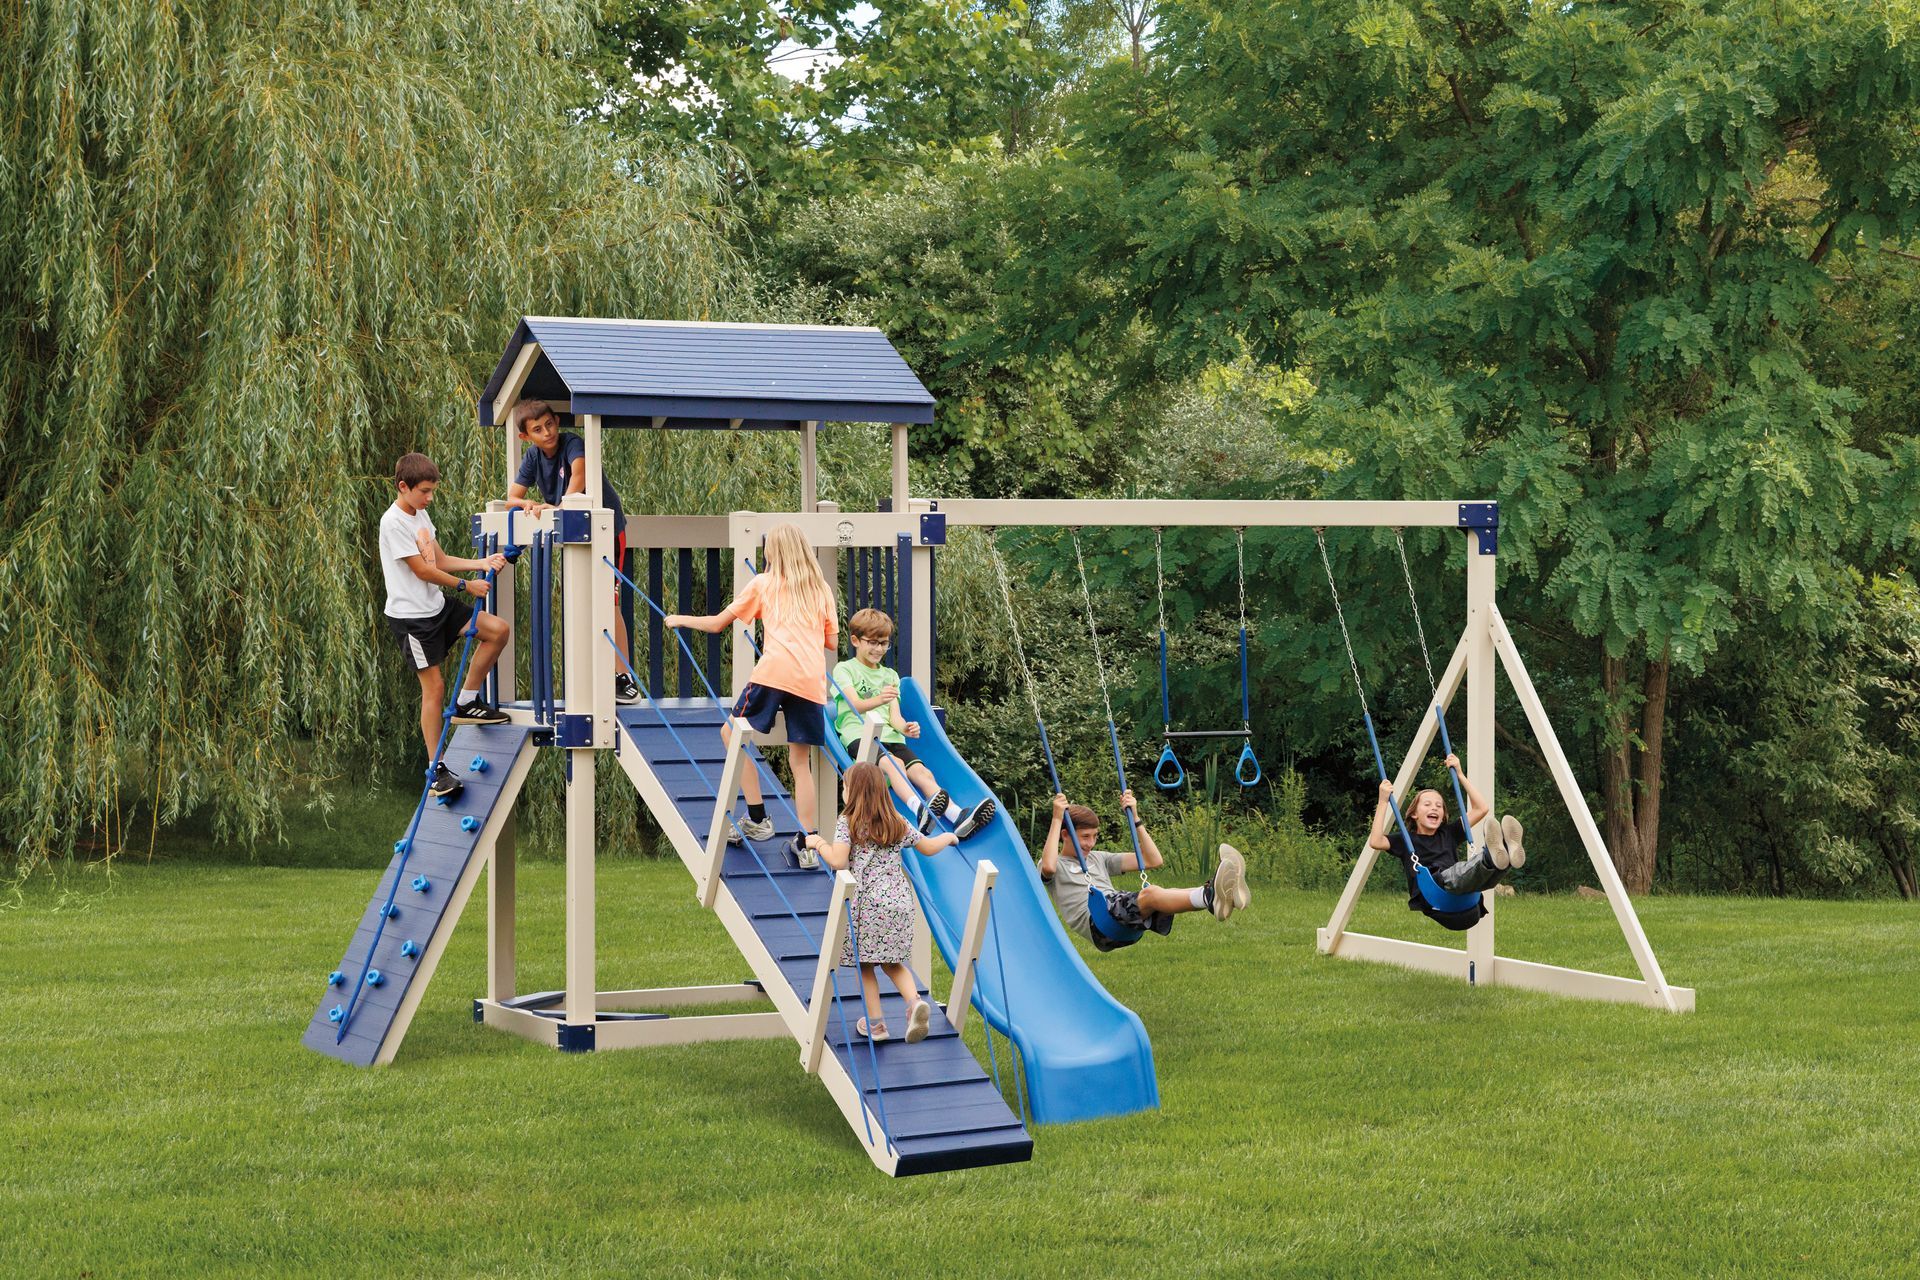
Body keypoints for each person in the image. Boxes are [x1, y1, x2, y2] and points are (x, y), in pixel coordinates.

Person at [664, 523, 836, 841]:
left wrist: (679, 619)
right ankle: (808, 840)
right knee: (800, 763)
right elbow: (832, 643)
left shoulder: (764, 584)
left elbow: (718, 624)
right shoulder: (821, 588)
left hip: (772, 674)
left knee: (732, 733)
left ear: (773, 552)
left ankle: (757, 817)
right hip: (811, 681)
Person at [379, 452, 511, 800]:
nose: (430, 498)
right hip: (412, 620)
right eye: (424, 491)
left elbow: (438, 560)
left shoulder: (419, 513)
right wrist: (468, 586)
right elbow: (421, 571)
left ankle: (468, 700)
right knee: (434, 689)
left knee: (497, 631)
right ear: (403, 487)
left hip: (437, 607)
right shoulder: (392, 523)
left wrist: (479, 563)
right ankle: (436, 768)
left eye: (432, 491)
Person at [805, 762, 958, 1041]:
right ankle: (914, 1003)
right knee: (894, 963)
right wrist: (948, 837)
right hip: (899, 904)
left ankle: (876, 1025)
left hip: (867, 907)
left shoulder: (847, 821)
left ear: (854, 792)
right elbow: (926, 847)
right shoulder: (896, 821)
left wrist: (818, 844)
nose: (843, 791)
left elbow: (839, 860)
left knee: (865, 966)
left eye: (845, 786)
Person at [505, 398, 639, 705]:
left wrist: (558, 507)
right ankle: (594, 674)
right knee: (583, 602)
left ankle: (624, 676)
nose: (547, 432)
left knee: (609, 601)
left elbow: (578, 478)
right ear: (526, 436)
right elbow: (512, 495)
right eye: (538, 429)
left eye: (550, 424)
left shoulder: (572, 444)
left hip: (606, 530)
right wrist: (526, 503)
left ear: (557, 422)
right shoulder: (532, 456)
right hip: (575, 533)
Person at [831, 608, 995, 839]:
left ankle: (958, 817)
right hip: (860, 735)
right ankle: (919, 809)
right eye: (873, 643)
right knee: (893, 762)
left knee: (922, 772)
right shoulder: (845, 669)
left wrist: (905, 727)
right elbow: (853, 704)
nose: (879, 649)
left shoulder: (890, 676)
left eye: (884, 643)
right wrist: (879, 698)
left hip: (889, 735)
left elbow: (894, 717)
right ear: (856, 640)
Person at [1039, 790, 1248, 952]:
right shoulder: (1055, 864)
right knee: (1152, 894)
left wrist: (1136, 818)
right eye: (1085, 836)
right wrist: (1057, 819)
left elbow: (1152, 860)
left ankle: (1218, 897)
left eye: (1095, 836)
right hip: (1100, 922)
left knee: (1159, 896)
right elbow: (1048, 867)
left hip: (1118, 918)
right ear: (1065, 835)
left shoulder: (1099, 858)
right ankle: (1210, 895)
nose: (1091, 843)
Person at [1366, 753, 1526, 927]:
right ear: (1414, 814)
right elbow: (1376, 841)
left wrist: (1460, 774)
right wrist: (1383, 801)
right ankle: (1491, 854)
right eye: (1427, 804)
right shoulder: (1406, 840)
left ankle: (1507, 856)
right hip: (1438, 894)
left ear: (1443, 816)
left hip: (1468, 905)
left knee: (1483, 876)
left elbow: (1481, 808)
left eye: (1439, 805)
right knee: (1457, 874)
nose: (1434, 807)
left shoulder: (1449, 833)